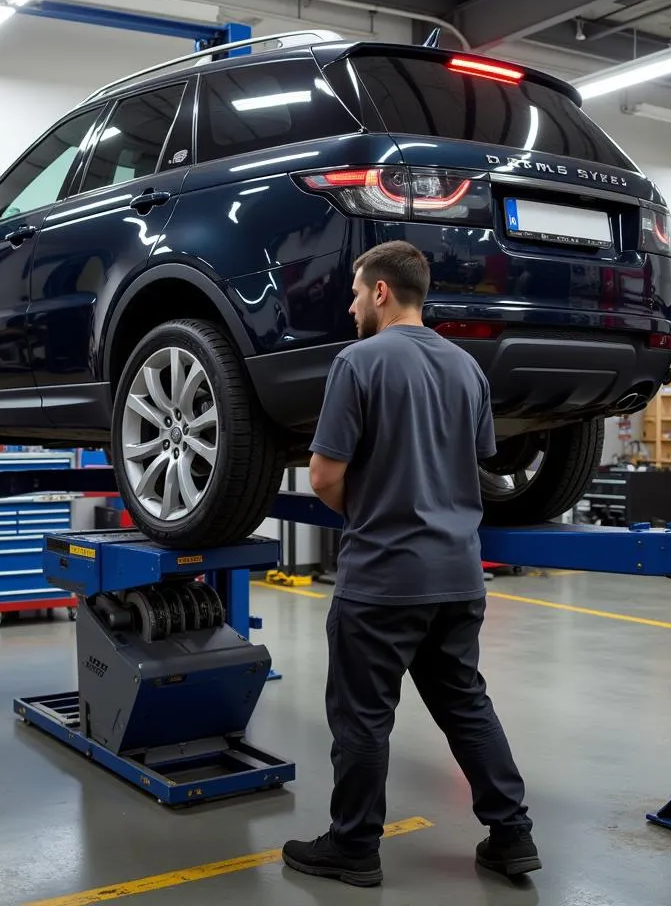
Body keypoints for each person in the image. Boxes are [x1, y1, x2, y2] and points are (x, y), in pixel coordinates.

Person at [281, 240, 540, 888]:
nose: (349, 305)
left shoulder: (359, 361)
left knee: (363, 717)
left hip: (384, 579)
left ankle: (353, 847)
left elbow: (323, 475)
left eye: (354, 292)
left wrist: (367, 514)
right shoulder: (467, 370)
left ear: (380, 292)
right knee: (466, 706)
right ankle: (513, 836)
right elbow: (476, 467)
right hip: (456, 574)